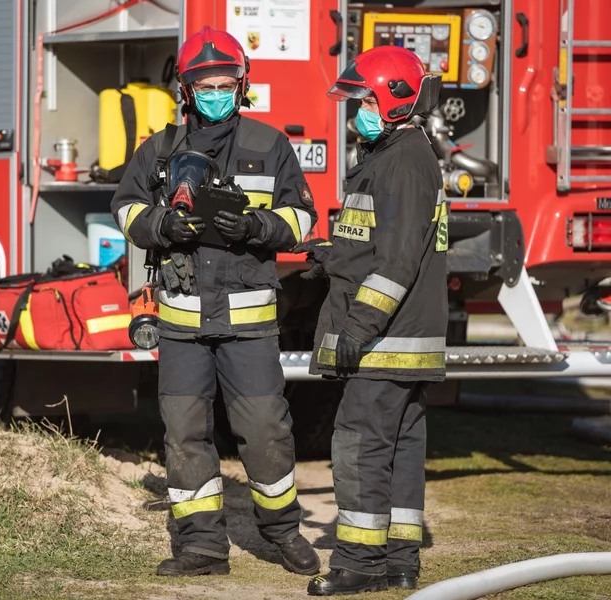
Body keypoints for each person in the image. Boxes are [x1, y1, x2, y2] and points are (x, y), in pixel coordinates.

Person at [110, 25, 320, 578]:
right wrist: (162, 225)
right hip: (182, 324)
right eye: (205, 86)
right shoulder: (159, 150)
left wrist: (256, 226)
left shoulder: (269, 145)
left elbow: (303, 218)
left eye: (226, 84)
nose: (216, 94)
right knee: (184, 434)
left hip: (249, 324)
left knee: (266, 430)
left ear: (242, 85)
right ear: (186, 90)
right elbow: (126, 208)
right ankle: (202, 546)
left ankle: (282, 532)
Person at [300, 46, 447, 596]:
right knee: (401, 449)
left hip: (384, 340)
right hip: (405, 339)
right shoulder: (402, 155)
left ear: (393, 102)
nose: (355, 112)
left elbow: (398, 262)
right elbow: (379, 242)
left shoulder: (402, 163)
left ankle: (359, 564)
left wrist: (358, 328)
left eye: (363, 101)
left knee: (359, 446)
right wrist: (332, 256)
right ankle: (400, 562)